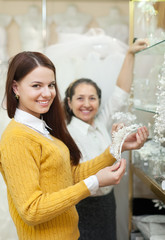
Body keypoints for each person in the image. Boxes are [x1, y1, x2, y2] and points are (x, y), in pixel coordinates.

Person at [0, 51, 145, 240]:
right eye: (37, 86)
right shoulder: (17, 138)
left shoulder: (41, 128)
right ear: (15, 88)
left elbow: (71, 174)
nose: (47, 93)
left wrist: (116, 147)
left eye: (51, 85)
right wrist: (94, 182)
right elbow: (31, 210)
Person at [63, 39, 149, 240]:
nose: (87, 104)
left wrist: (130, 54)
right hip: (80, 207)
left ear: (99, 102)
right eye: (80, 98)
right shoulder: (66, 135)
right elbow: (76, 175)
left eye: (92, 98)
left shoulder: (102, 122)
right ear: (69, 102)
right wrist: (114, 147)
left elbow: (121, 92)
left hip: (107, 203)